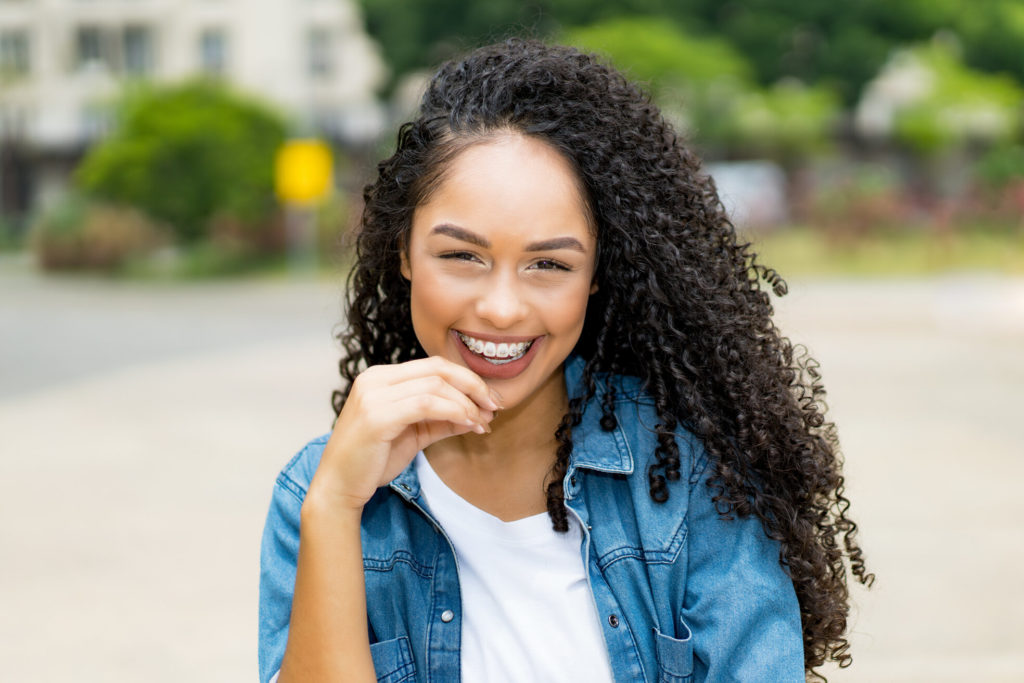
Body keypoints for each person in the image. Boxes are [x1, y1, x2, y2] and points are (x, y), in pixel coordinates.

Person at [259, 39, 872, 683]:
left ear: (596, 276)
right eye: (462, 256)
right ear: (405, 252)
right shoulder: (316, 490)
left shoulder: (691, 473)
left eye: (549, 264)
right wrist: (335, 506)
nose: (500, 308)